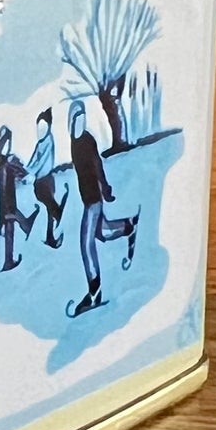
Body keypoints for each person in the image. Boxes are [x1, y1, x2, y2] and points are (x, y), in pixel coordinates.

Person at [66, 100, 139, 316]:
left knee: (86, 243)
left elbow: (97, 165)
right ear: (70, 123)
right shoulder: (74, 143)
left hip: (93, 199)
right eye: (76, 119)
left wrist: (105, 188)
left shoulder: (87, 141)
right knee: (102, 232)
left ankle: (94, 292)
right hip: (87, 198)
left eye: (82, 118)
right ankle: (128, 226)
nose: (80, 122)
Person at [25, 108, 68, 249]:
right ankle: (51, 237)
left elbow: (42, 161)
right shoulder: (40, 143)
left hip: (46, 179)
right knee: (49, 208)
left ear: (48, 128)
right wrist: (26, 170)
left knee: (50, 205)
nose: (40, 132)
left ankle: (60, 218)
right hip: (39, 180)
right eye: (38, 129)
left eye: (43, 128)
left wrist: (32, 172)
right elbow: (33, 160)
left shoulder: (49, 141)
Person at [0, 125, 37, 272]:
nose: (6, 147)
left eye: (7, 143)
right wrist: (25, 173)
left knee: (9, 230)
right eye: (4, 143)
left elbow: (20, 174)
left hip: (6, 204)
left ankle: (8, 260)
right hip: (8, 204)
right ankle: (26, 225)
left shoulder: (4, 163)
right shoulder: (6, 163)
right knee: (11, 226)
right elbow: (24, 175)